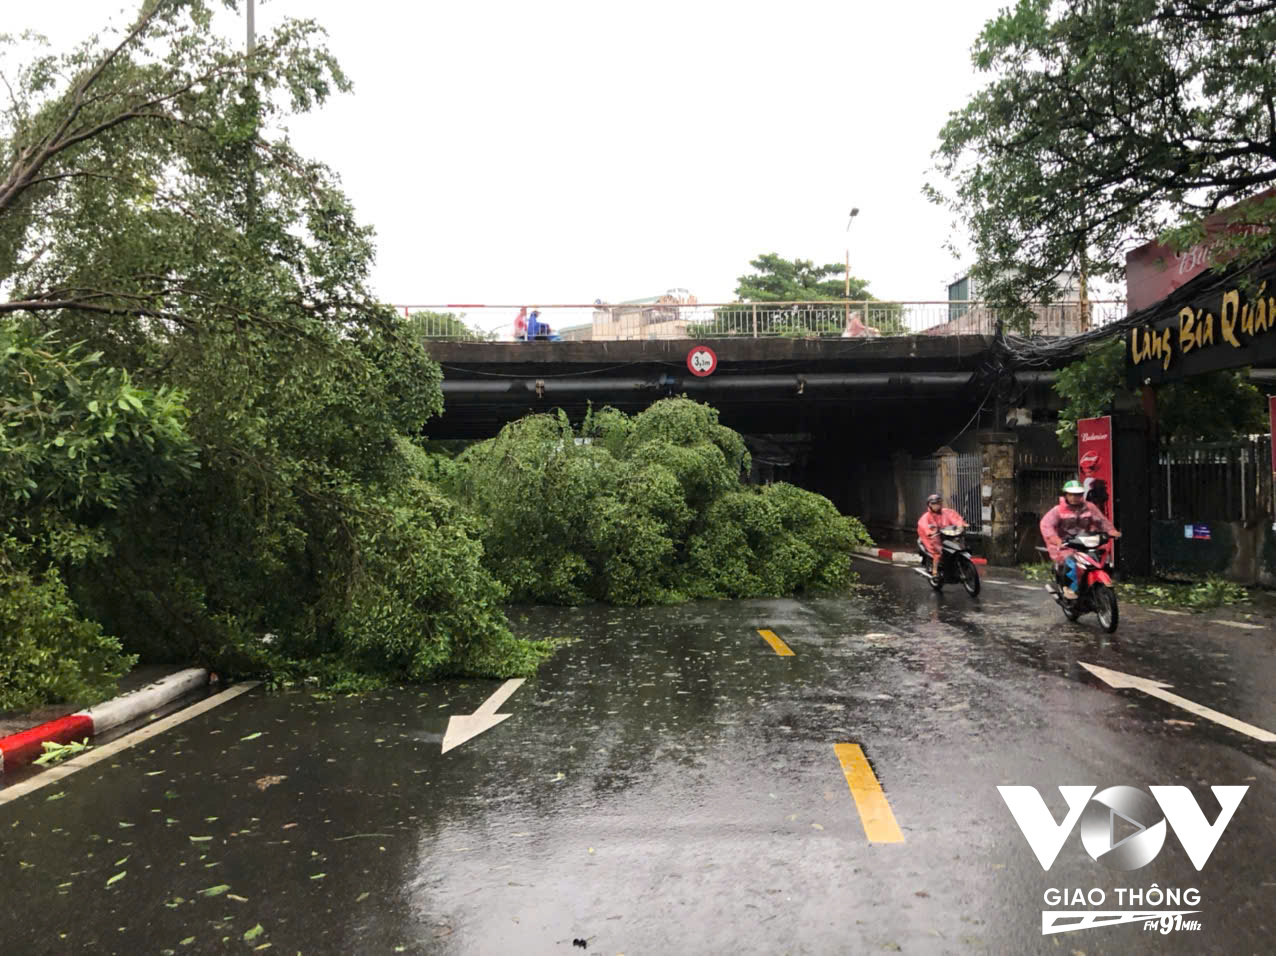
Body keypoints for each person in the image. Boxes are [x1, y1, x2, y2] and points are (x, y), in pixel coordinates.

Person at [1039, 480, 1122, 599]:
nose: (1074, 497)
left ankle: (1098, 585)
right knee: (1071, 561)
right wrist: (1055, 539)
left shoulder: (1090, 507)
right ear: (1066, 495)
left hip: (1086, 541)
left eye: (1077, 495)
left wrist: (1111, 531)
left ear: (1082, 495)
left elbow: (1101, 521)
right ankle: (1069, 587)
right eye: (1071, 494)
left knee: (1101, 559)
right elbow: (1046, 524)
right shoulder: (1058, 510)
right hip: (1065, 544)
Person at [917, 493, 967, 579]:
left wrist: (961, 524)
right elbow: (923, 525)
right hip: (933, 537)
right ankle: (935, 571)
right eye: (934, 504)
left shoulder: (947, 512)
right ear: (929, 505)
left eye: (938, 503)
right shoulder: (926, 516)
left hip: (947, 535)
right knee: (938, 553)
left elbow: (955, 518)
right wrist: (930, 531)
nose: (936, 505)